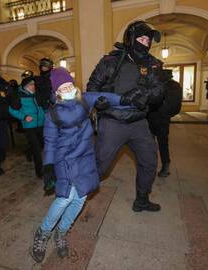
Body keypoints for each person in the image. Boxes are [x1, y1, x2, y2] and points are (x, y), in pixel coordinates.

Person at [31, 67, 135, 262]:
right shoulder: (52, 114)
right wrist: (48, 166)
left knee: (81, 198)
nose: (67, 89)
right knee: (65, 198)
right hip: (65, 158)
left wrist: (127, 100)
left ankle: (61, 233)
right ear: (56, 92)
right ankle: (43, 233)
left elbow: (106, 96)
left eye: (69, 85)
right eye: (62, 88)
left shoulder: (84, 99)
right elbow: (50, 142)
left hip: (86, 156)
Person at [86, 20, 163, 212]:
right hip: (113, 122)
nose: (145, 42)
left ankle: (142, 200)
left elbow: (159, 89)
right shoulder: (110, 62)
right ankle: (74, 196)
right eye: (142, 38)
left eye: (148, 39)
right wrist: (98, 101)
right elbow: (92, 87)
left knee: (149, 161)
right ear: (130, 38)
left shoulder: (152, 64)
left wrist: (144, 96)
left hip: (139, 123)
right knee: (100, 166)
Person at [147, 69, 182, 177]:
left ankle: (150, 166)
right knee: (163, 143)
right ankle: (165, 167)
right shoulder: (175, 85)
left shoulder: (156, 84)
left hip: (152, 116)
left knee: (150, 144)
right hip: (164, 118)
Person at [9, 75, 45, 177]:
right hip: (29, 126)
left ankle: (28, 152)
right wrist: (24, 117)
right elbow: (11, 110)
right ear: (24, 86)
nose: (33, 86)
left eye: (34, 84)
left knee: (41, 144)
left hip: (41, 124)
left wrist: (47, 115)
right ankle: (39, 171)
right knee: (37, 149)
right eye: (30, 84)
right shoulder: (19, 96)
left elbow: (42, 107)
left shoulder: (36, 94)